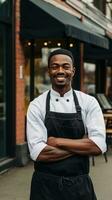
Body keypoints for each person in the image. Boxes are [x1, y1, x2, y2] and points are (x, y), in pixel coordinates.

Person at [27, 48, 106, 200]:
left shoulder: (89, 102)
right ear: (49, 71)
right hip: (45, 187)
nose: (60, 70)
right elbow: (39, 153)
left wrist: (56, 141)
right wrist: (82, 145)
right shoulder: (37, 105)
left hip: (80, 185)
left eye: (65, 66)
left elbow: (98, 146)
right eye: (55, 66)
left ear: (73, 71)